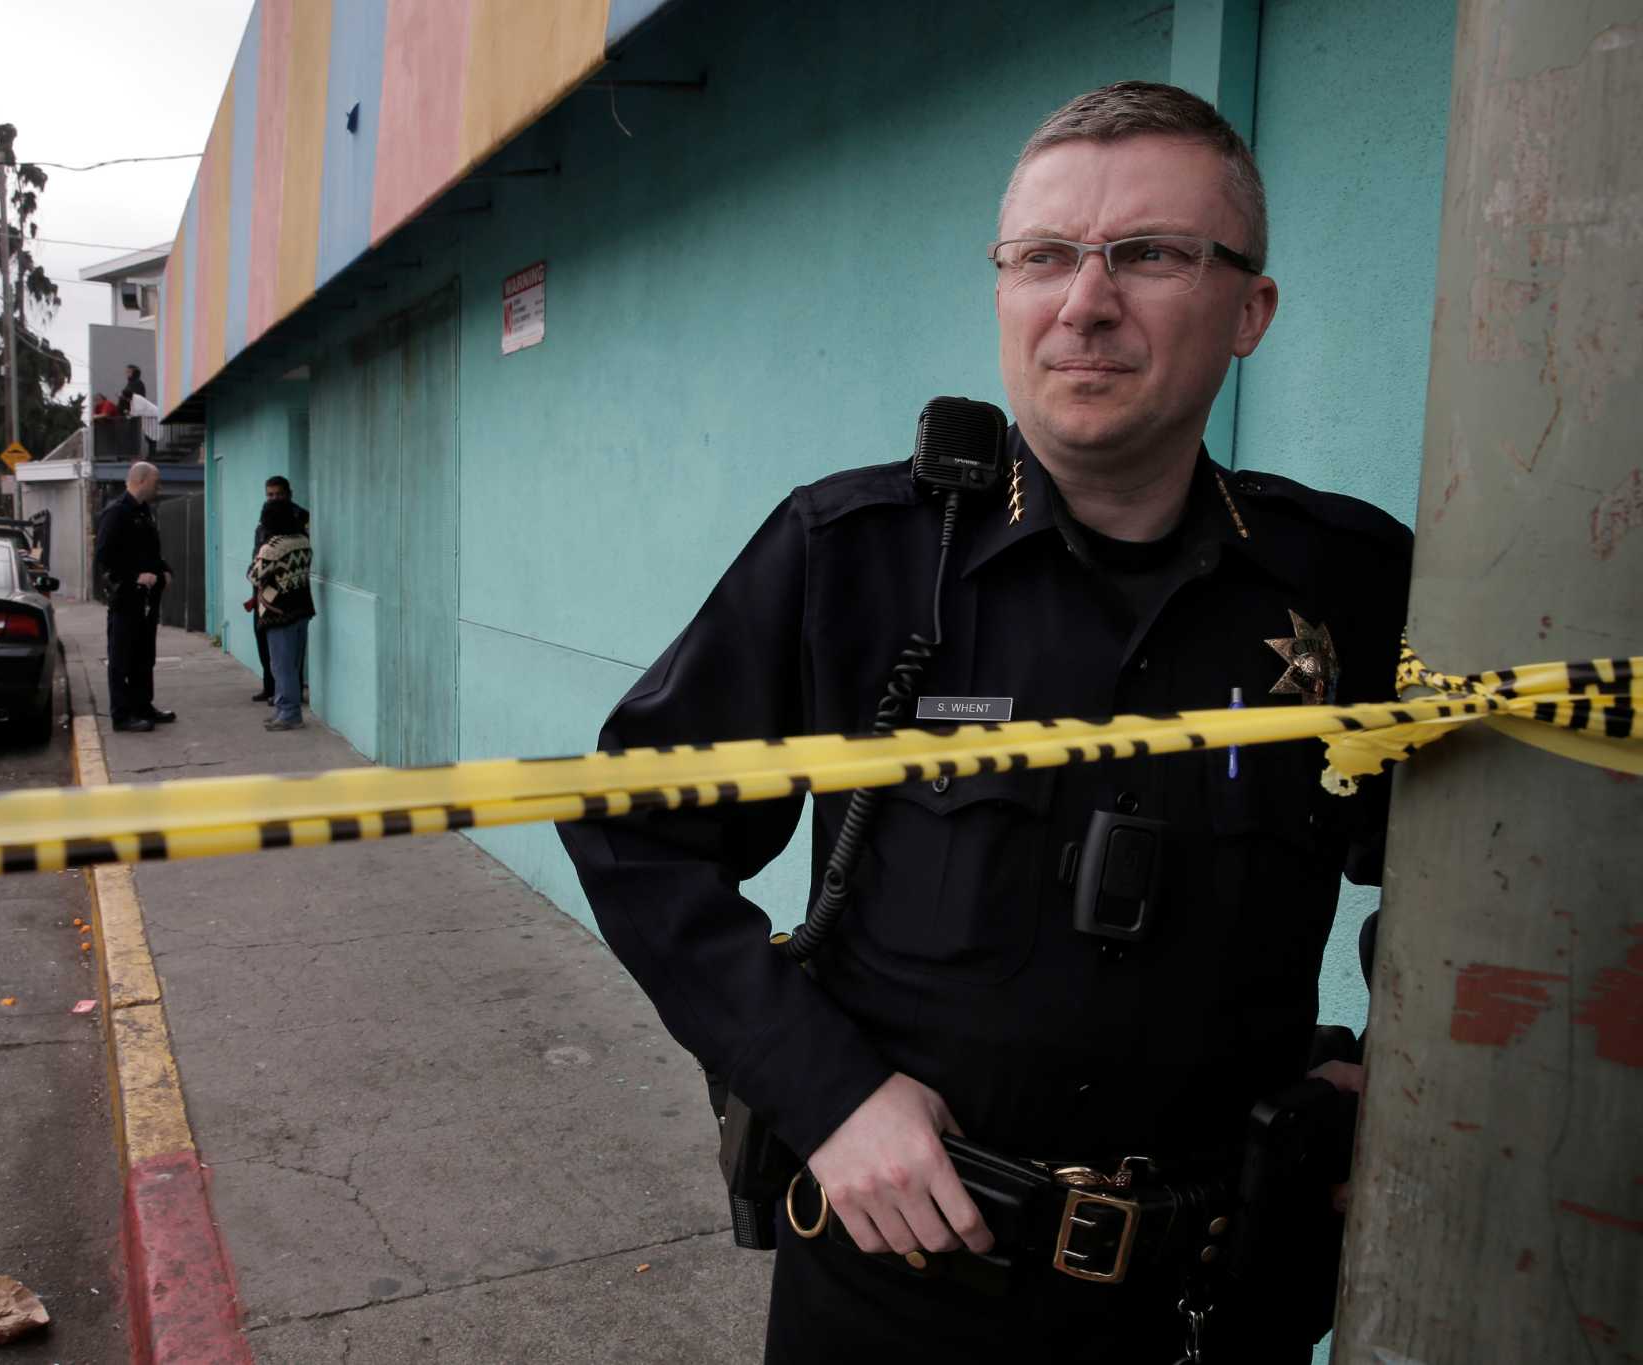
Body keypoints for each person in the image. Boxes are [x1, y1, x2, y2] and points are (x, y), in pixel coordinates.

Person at [556, 81, 1410, 1363]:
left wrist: (1415, 1086)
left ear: (1250, 310)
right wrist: (823, 1094)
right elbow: (633, 830)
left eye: (1150, 255)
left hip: (1220, 1295)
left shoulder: (1344, 580)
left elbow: (1489, 870)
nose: (1084, 301)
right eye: (1043, 257)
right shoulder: (850, 559)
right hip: (904, 1286)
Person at [93, 461, 176, 734]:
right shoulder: (116, 513)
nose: (159, 487)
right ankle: (122, 714)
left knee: (144, 656)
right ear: (140, 480)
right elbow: (104, 559)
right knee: (122, 659)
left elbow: (151, 552)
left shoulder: (144, 513)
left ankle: (143, 706)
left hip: (147, 601)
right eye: (156, 481)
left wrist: (163, 570)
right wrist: (134, 577)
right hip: (126, 600)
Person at [247, 494, 314, 732]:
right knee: (293, 665)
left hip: (279, 613)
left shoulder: (272, 547)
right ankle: (286, 709)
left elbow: (254, 575)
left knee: (281, 665)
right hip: (302, 608)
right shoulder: (303, 541)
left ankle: (288, 713)